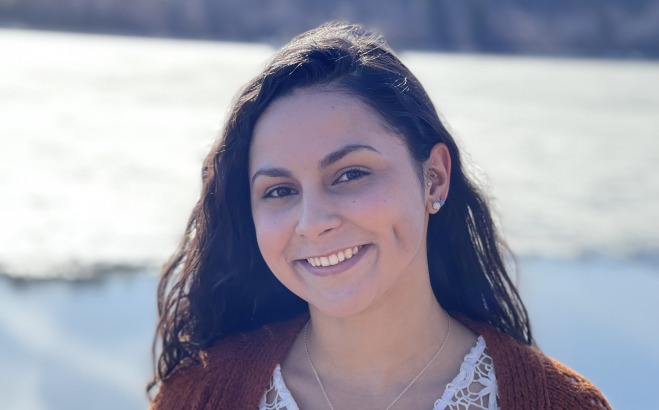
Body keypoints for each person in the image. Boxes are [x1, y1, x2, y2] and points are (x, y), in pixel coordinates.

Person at [148, 22, 611, 410]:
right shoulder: (197, 396)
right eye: (280, 190)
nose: (312, 221)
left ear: (434, 179)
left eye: (350, 175)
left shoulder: (558, 402)